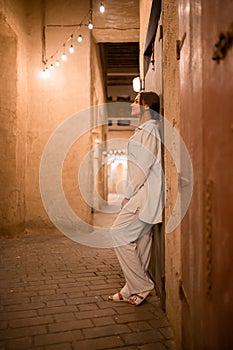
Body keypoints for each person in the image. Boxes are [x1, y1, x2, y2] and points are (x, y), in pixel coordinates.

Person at [108, 91, 163, 306]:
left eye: (136, 101)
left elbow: (143, 166)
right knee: (141, 240)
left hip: (143, 194)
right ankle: (131, 289)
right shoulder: (145, 130)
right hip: (144, 193)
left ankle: (141, 286)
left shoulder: (149, 130)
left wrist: (128, 195)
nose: (132, 104)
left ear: (147, 106)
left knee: (118, 233)